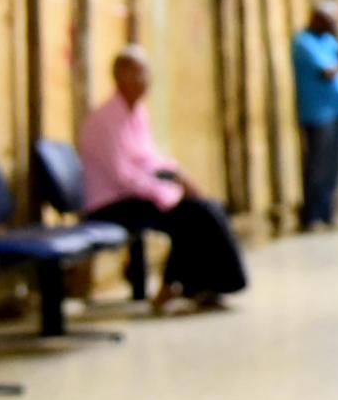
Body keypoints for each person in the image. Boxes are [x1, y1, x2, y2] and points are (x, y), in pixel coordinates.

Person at [81, 46, 247, 312]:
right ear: (120, 76)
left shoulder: (137, 113)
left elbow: (150, 159)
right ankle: (171, 287)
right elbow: (123, 176)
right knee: (191, 215)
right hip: (112, 202)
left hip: (139, 194)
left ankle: (208, 285)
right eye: (139, 72)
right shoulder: (104, 121)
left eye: (147, 72)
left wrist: (179, 177)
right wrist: (166, 194)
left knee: (208, 208)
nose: (146, 80)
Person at [291, 1, 338, 231]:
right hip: (318, 113)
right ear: (316, 18)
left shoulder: (329, 41)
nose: (332, 26)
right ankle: (313, 215)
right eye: (329, 22)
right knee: (318, 165)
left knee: (335, 165)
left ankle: (329, 212)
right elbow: (327, 72)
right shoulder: (304, 42)